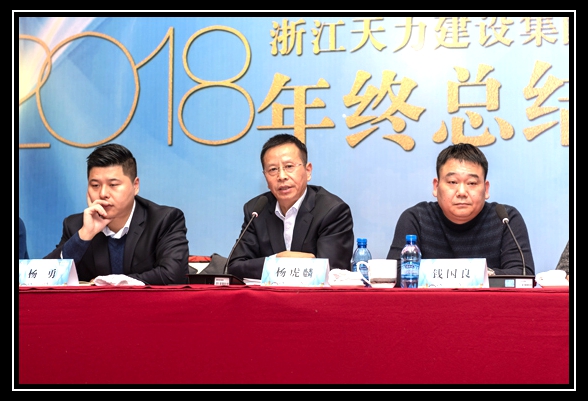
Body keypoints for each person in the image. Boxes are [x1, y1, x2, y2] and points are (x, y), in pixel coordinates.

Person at [44, 143, 189, 284]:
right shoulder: (76, 225)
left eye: (113, 185)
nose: (103, 193)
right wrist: (85, 235)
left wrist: (115, 282)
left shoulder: (163, 220)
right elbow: (43, 278)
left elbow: (173, 275)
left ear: (135, 186)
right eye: (95, 185)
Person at [387, 143, 535, 281]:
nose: (462, 192)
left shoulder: (505, 219)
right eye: (452, 182)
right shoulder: (416, 219)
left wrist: (474, 275)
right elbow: (395, 273)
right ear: (436, 186)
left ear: (486, 189)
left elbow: (523, 274)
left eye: (472, 183)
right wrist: (477, 275)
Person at [227, 133, 355, 280]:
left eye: (289, 166)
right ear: (265, 177)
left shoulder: (332, 211)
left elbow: (333, 272)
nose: (281, 176)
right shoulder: (256, 210)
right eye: (273, 169)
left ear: (308, 171)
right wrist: (278, 260)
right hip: (268, 295)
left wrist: (274, 265)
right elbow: (235, 266)